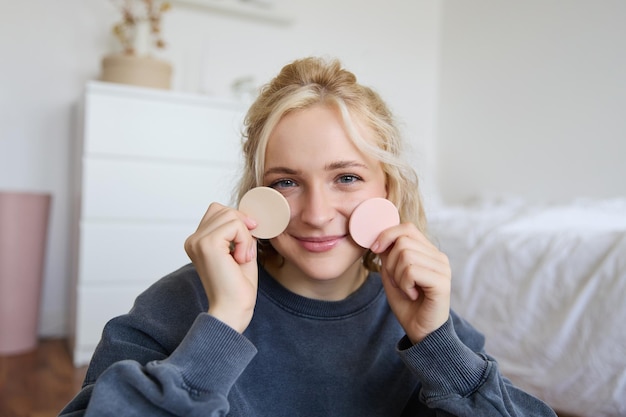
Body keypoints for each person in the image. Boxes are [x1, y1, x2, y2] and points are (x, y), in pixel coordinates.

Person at [59, 56, 556, 416]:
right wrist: (221, 327)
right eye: (286, 182)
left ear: (390, 187)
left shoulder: (433, 329)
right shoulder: (178, 305)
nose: (317, 215)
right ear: (256, 195)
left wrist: (436, 345)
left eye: (346, 178)